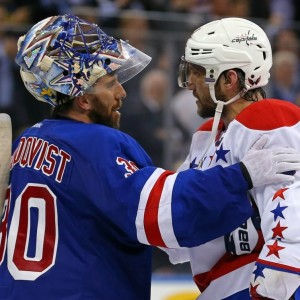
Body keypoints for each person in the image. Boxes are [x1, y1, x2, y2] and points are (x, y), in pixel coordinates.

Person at [0, 15, 299, 300]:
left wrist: (283, 264)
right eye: (109, 82)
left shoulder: (29, 141)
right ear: (83, 98)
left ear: (230, 78)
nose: (122, 92)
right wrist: (240, 176)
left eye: (197, 72)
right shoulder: (96, 144)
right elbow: (164, 216)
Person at [172, 17, 300, 299]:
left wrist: (279, 274)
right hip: (225, 285)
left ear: (229, 79)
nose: (190, 83)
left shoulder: (270, 119)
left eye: (197, 72)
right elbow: (176, 220)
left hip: (259, 280)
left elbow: (293, 206)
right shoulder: (208, 136)